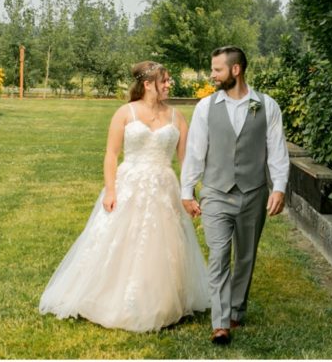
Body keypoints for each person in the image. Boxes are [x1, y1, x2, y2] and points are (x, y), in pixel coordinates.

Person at [38, 61, 210, 332]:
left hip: (164, 187)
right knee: (120, 240)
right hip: (129, 183)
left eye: (169, 81)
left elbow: (184, 160)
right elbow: (111, 154)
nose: (169, 85)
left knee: (163, 244)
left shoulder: (177, 117)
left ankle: (161, 302)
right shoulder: (125, 113)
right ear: (148, 84)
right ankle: (109, 297)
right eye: (164, 81)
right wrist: (110, 190)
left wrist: (188, 194)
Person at [180, 46, 290, 345]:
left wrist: (279, 186)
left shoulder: (267, 106)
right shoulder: (206, 107)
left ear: (236, 70)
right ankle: (220, 322)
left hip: (254, 192)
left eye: (217, 70)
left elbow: (277, 150)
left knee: (245, 256)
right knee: (218, 256)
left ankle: (236, 310)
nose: (212, 75)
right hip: (216, 191)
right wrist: (187, 190)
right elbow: (195, 151)